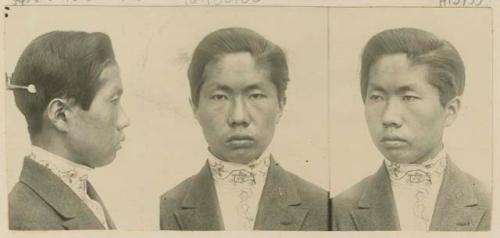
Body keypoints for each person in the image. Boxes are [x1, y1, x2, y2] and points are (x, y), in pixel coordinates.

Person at [159, 27, 328, 231]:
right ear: (194, 106)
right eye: (220, 97)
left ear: (281, 104)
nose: (238, 117)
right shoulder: (164, 209)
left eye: (255, 95)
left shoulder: (324, 207)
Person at [331, 27, 491, 231]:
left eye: (409, 98)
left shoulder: (491, 205)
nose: (389, 117)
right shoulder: (337, 211)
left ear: (450, 110)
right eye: (377, 97)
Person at [8, 31, 130, 230]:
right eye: (113, 101)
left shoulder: (76, 194)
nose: (125, 120)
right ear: (61, 115)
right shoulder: (24, 219)